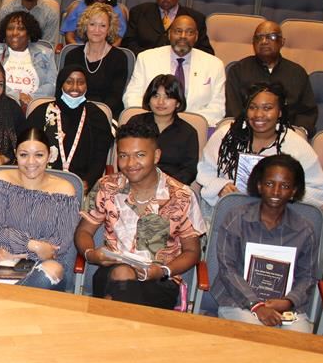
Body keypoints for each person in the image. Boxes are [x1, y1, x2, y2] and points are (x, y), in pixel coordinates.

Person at [75, 119, 206, 309]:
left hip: (159, 280)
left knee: (118, 294)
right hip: (110, 272)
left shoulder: (182, 196)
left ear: (156, 156)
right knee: (122, 273)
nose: (130, 164)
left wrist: (162, 271)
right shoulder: (107, 186)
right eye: (123, 156)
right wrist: (91, 255)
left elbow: (193, 252)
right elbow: (84, 232)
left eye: (140, 155)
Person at [212, 155, 318, 333]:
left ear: (294, 191)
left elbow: (308, 277)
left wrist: (288, 301)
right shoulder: (236, 218)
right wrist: (256, 305)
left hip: (285, 307)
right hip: (240, 303)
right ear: (259, 186)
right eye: (269, 184)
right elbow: (227, 269)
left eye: (284, 186)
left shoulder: (304, 229)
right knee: (256, 334)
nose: (276, 192)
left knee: (300, 341)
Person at [0, 126, 81, 286]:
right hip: (0, 258)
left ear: (49, 156)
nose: (31, 162)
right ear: (16, 153)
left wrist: (20, 255)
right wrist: (33, 245)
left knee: (51, 270)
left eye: (39, 155)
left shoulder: (65, 190)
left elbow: (60, 244)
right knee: (6, 271)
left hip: (43, 264)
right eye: (24, 155)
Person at [197, 82, 323, 209]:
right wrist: (220, 187)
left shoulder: (296, 145)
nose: (259, 114)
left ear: (280, 112)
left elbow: (318, 193)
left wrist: (283, 191)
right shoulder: (226, 136)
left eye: (267, 108)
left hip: (278, 219)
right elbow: (204, 171)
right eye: (253, 107)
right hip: (228, 211)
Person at [123, 14, 227, 125]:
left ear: (196, 36)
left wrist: (187, 124)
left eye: (189, 32)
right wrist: (156, 120)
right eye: (178, 31)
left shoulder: (214, 65)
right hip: (151, 125)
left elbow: (217, 108)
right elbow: (132, 97)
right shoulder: (146, 59)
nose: (183, 36)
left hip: (195, 129)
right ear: (169, 34)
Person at [25, 66, 113, 191]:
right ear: (61, 84)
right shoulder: (42, 112)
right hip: (41, 183)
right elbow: (26, 149)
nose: (75, 87)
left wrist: (86, 183)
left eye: (81, 82)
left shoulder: (96, 116)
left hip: (79, 185)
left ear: (87, 86)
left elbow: (99, 159)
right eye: (69, 82)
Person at [225, 21, 318, 137]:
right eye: (259, 38)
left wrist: (297, 133)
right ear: (253, 43)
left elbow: (307, 112)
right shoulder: (239, 70)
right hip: (246, 133)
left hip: (287, 135)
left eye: (271, 37)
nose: (264, 41)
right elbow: (234, 108)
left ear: (282, 42)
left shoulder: (297, 73)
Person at [60, 2, 129, 117]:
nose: (97, 30)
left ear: (109, 28)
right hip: (74, 111)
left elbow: (115, 97)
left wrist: (92, 114)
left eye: (102, 26)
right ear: (85, 26)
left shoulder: (119, 58)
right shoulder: (72, 56)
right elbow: (65, 90)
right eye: (92, 24)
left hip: (104, 114)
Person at [129, 74, 198, 185]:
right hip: (135, 182)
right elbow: (125, 157)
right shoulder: (136, 122)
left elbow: (189, 171)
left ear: (178, 102)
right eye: (156, 96)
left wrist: (166, 185)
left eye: (168, 97)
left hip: (172, 187)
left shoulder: (188, 132)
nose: (160, 102)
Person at [0, 11, 56, 107]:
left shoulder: (45, 53)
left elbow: (52, 84)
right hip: (0, 104)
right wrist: (17, 96)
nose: (14, 33)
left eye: (21, 29)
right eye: (10, 29)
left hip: (34, 106)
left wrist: (31, 99)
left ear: (29, 33)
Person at [122, 0, 212, 56]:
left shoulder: (195, 18)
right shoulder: (139, 12)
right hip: (147, 64)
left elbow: (206, 51)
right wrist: (149, 58)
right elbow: (128, 44)